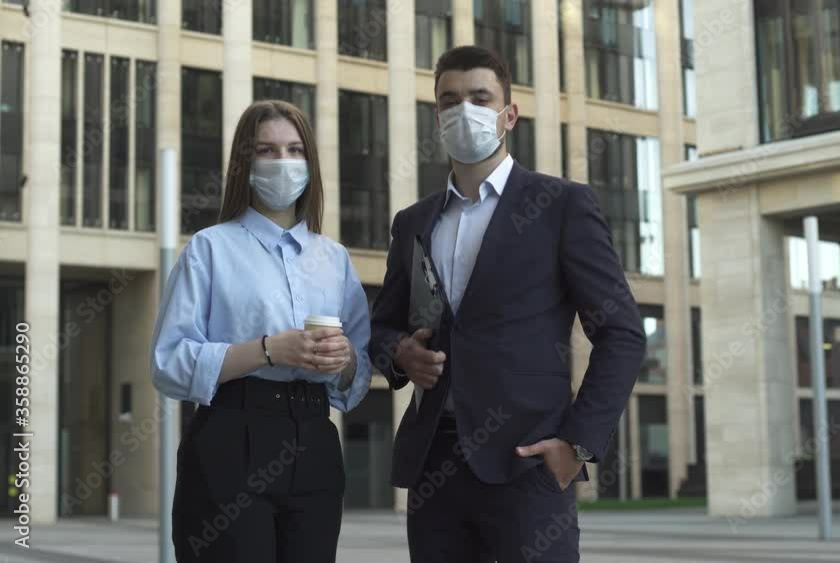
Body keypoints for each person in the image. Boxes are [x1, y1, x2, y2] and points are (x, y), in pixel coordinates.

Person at [369, 46, 646, 563]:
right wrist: (399, 354)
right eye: (450, 100)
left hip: (529, 466)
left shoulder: (562, 205)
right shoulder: (413, 222)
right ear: (437, 116)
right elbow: (381, 326)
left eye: (479, 97)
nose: (463, 110)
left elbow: (623, 333)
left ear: (508, 114)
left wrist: (576, 444)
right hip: (434, 467)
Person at [150, 100, 371, 562]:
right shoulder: (209, 249)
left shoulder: (334, 259)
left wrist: (344, 360)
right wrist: (269, 350)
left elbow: (358, 375)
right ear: (244, 164)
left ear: (310, 162)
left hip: (314, 440)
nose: (283, 162)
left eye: (294, 150)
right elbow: (169, 362)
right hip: (231, 436)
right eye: (267, 151)